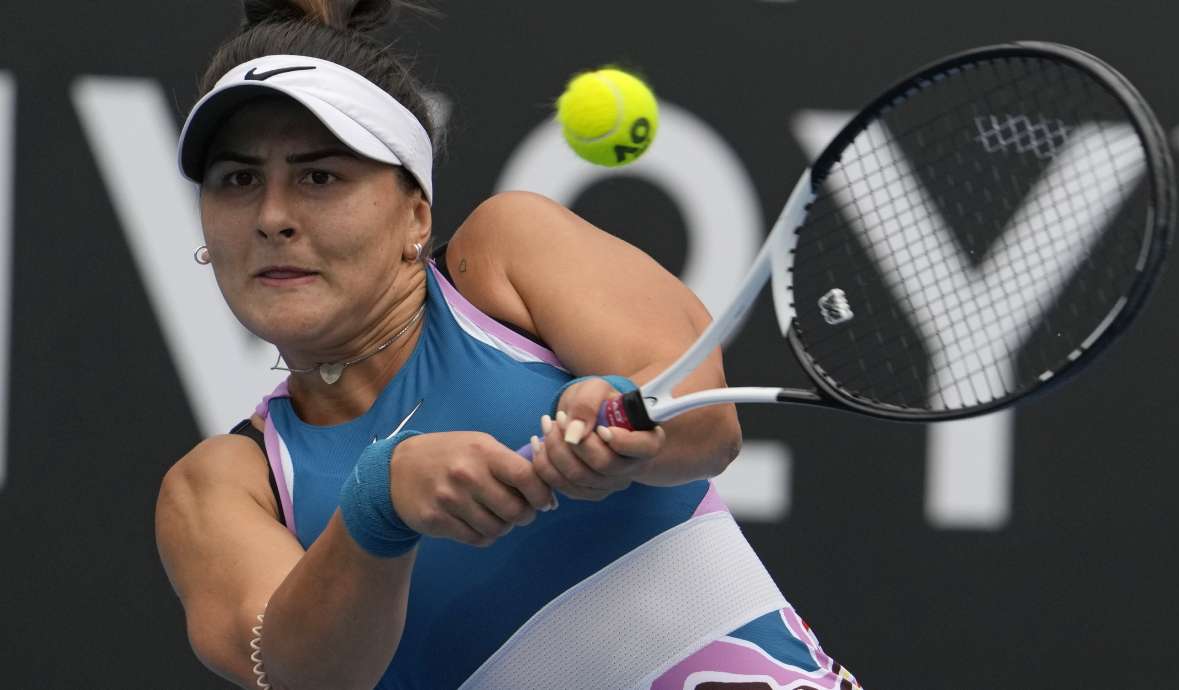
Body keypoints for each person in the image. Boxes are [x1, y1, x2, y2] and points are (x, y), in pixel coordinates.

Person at [155, 1, 864, 688]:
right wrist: (377, 503)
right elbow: (300, 676)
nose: (273, 216)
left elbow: (708, 422)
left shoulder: (504, 254)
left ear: (416, 214)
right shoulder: (221, 487)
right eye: (238, 179)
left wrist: (619, 417)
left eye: (319, 177)